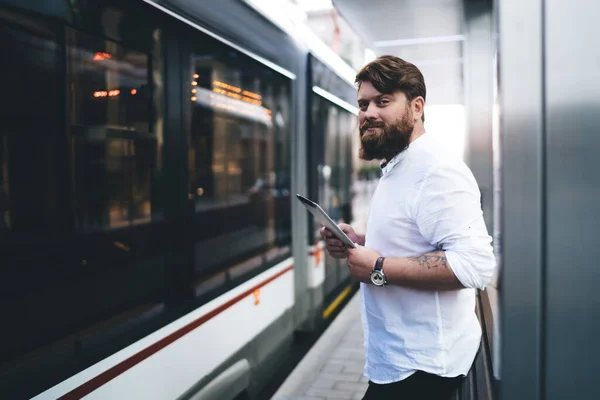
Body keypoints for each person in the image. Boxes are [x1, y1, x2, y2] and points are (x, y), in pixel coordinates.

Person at [320, 55, 496, 400]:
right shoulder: (399, 164)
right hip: (402, 361)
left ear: (417, 107)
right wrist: (358, 241)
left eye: (383, 101)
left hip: (422, 370)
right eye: (363, 104)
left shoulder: (436, 170)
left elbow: (474, 265)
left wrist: (378, 268)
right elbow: (413, 238)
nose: (368, 112)